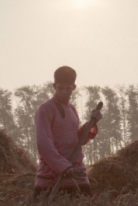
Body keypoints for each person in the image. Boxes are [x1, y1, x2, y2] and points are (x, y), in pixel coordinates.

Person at [33, 66, 102, 197]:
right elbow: (44, 144)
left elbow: (77, 140)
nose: (64, 92)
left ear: (74, 87)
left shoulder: (72, 110)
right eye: (60, 88)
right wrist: (64, 167)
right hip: (51, 179)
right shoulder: (46, 109)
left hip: (77, 176)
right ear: (54, 86)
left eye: (68, 88)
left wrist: (91, 124)